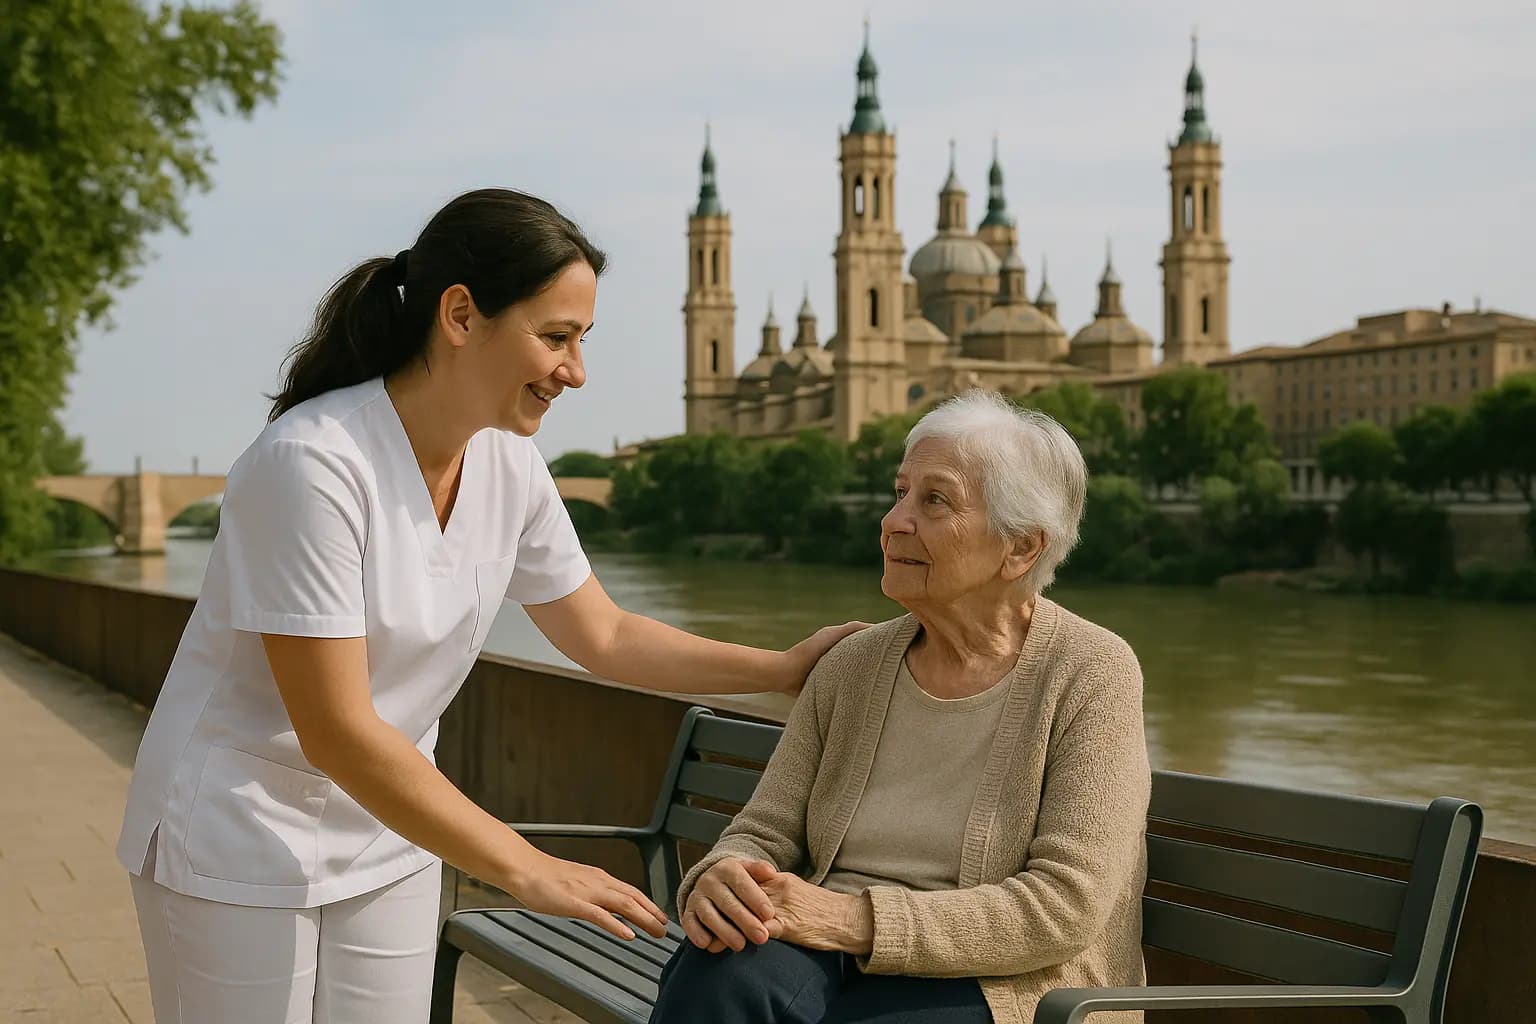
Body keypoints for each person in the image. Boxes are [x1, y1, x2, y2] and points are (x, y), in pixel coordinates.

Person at [115, 188, 863, 1024]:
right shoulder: (312, 463)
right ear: (462, 316)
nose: (576, 370)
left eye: (582, 341)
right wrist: (525, 867)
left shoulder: (510, 466)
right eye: (556, 337)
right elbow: (334, 728)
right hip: (237, 834)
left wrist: (788, 672)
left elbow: (605, 634)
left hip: (394, 829)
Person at [649, 390, 1150, 1024]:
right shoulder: (852, 664)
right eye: (900, 492)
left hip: (1009, 983)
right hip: (828, 946)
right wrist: (724, 875)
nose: (893, 520)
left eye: (934, 500)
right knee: (715, 974)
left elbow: (1061, 909)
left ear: (1021, 548)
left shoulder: (1091, 671)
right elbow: (766, 828)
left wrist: (854, 920)